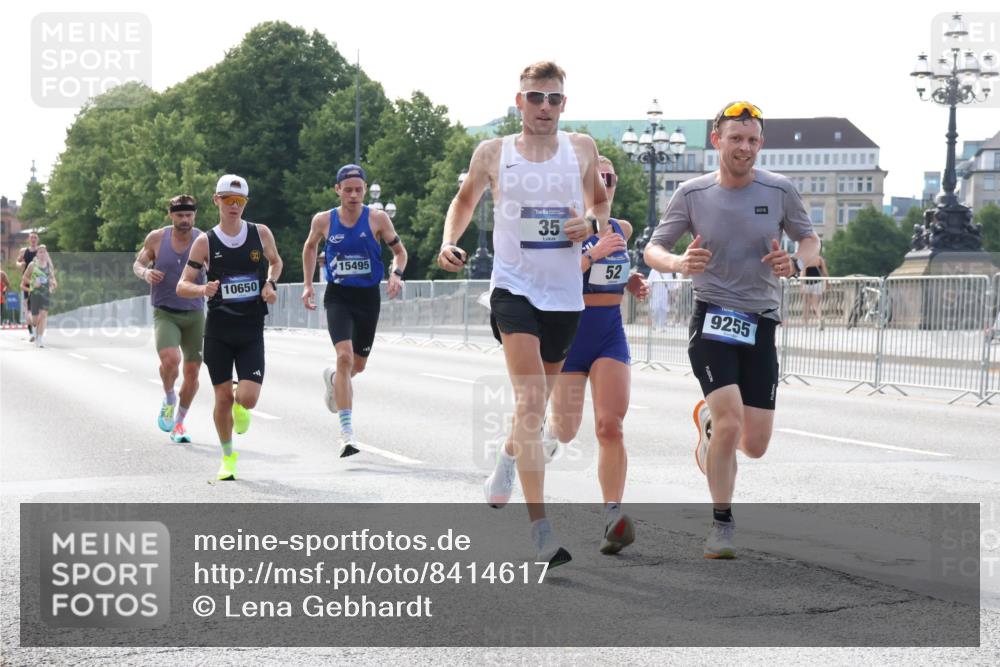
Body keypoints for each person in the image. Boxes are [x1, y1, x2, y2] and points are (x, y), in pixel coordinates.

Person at [438, 61, 610, 568]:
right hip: (513, 290)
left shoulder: (581, 149)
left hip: (564, 296)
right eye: (535, 98)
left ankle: (508, 456)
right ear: (519, 103)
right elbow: (465, 199)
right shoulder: (494, 153)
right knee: (532, 398)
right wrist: (450, 241)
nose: (544, 108)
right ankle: (540, 530)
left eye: (554, 99)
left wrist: (589, 226)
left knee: (533, 411)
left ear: (564, 104)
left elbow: (598, 203)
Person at [644, 101, 820, 559]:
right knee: (729, 423)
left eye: (753, 140)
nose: (745, 147)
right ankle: (721, 524)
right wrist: (679, 263)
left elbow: (809, 238)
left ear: (761, 144)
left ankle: (707, 421)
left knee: (755, 444)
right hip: (713, 316)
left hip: (761, 320)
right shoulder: (692, 193)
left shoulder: (779, 190)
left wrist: (798, 260)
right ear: (717, 140)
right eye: (736, 138)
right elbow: (654, 248)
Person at [544, 155, 648, 555]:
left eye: (611, 176)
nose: (605, 181)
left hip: (608, 333)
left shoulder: (621, 227)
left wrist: (632, 279)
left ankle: (613, 514)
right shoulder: (568, 223)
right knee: (568, 430)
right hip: (570, 334)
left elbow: (614, 270)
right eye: (597, 176)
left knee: (610, 426)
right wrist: (593, 252)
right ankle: (551, 433)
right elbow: (552, 277)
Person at [176, 175, 282, 481]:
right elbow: (182, 285)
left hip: (250, 329)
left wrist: (270, 283)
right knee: (221, 397)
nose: (234, 206)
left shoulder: (259, 233)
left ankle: (241, 404)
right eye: (228, 200)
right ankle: (228, 458)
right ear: (216, 201)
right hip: (219, 331)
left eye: (240, 201)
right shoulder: (205, 242)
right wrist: (201, 290)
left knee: (247, 398)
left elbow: (276, 262)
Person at [302, 164, 407, 457]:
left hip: (367, 299)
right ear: (337, 190)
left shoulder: (377, 218)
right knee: (344, 356)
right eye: (347, 190)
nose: (354, 195)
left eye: (359, 190)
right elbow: (310, 247)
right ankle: (347, 433)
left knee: (356, 366)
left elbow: (400, 251)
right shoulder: (323, 220)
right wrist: (308, 284)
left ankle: (335, 381)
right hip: (338, 297)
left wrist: (396, 273)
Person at [133, 194, 207, 444]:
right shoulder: (156, 238)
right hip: (165, 311)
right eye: (180, 215)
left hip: (195, 312)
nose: (185, 220)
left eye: (189, 215)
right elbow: (138, 263)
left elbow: (217, 269)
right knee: (170, 360)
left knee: (193, 372)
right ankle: (168, 398)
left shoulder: (202, 239)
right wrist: (145, 272)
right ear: (171, 215)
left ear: (194, 215)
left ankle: (179, 423)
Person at [19, 245, 57, 348]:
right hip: (35, 294)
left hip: (45, 294)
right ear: (37, 254)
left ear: (46, 254)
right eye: (40, 252)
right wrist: (33, 283)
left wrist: (52, 285)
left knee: (44, 315)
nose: (42, 254)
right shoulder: (32, 265)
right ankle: (33, 325)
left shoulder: (49, 266)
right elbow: (24, 278)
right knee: (35, 319)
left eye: (44, 252)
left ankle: (40, 339)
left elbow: (54, 280)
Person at [16, 231, 41, 340]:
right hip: (27, 280)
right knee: (27, 307)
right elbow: (16, 262)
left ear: (38, 239)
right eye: (31, 237)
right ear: (28, 239)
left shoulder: (41, 251)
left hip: (39, 280)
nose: (33, 239)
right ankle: (31, 332)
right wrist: (20, 264)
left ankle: (37, 328)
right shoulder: (23, 251)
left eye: (35, 237)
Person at [799, 252, 829, 328]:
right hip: (818, 283)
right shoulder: (819, 259)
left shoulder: (805, 259)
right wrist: (827, 283)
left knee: (806, 304)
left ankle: (805, 324)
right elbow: (825, 272)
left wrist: (801, 285)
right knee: (816, 304)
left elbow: (803, 273)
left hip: (807, 283)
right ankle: (820, 318)